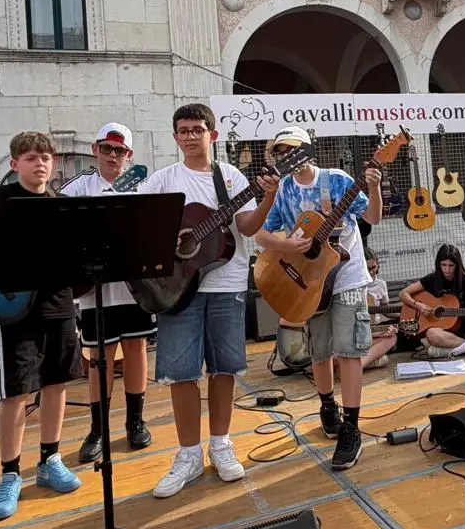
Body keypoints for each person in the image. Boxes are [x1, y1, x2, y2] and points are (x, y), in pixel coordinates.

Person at [140, 103, 277, 498]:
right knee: (181, 372)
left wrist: (267, 197)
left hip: (226, 283)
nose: (189, 136)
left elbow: (247, 225)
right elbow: (143, 222)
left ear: (212, 135)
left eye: (197, 129)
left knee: (224, 368)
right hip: (177, 287)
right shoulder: (163, 180)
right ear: (175, 136)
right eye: (182, 130)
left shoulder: (229, 177)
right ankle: (187, 454)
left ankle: (221, 443)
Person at [0, 132, 85, 522]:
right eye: (31, 157)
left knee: (56, 384)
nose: (40, 163)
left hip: (58, 303)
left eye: (46, 157)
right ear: (15, 164)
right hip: (16, 310)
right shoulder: (2, 200)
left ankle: (50, 459)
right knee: (15, 392)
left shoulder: (62, 205)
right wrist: (12, 235)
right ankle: (10, 473)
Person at [254, 127, 384, 471]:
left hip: (347, 277)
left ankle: (352, 428)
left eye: (290, 149)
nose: (285, 156)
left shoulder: (337, 180)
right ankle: (328, 405)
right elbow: (260, 233)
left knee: (350, 351)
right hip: (309, 281)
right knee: (320, 349)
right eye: (279, 152)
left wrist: (372, 185)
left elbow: (371, 217)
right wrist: (287, 246)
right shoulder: (283, 190)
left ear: (306, 150)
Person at [60, 122, 154, 461]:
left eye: (120, 150)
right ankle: (98, 428)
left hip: (133, 285)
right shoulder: (77, 187)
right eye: (107, 148)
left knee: (136, 347)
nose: (113, 156)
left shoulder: (144, 185)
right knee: (100, 356)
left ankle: (135, 421)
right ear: (95, 150)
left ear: (129, 155)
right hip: (95, 286)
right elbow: (62, 228)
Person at [400, 244, 465, 357]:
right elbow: (403, 293)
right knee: (431, 334)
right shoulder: (432, 279)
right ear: (438, 264)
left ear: (457, 265)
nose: (447, 269)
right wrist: (418, 305)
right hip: (444, 333)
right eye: (443, 265)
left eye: (451, 265)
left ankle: (456, 350)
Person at [362, 251, 398, 370]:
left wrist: (403, 314)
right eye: (368, 268)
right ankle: (367, 361)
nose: (372, 272)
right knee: (383, 359)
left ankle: (358, 362)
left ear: (378, 265)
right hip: (356, 330)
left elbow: (385, 310)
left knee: (392, 337)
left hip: (373, 328)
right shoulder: (354, 285)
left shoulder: (381, 284)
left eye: (374, 267)